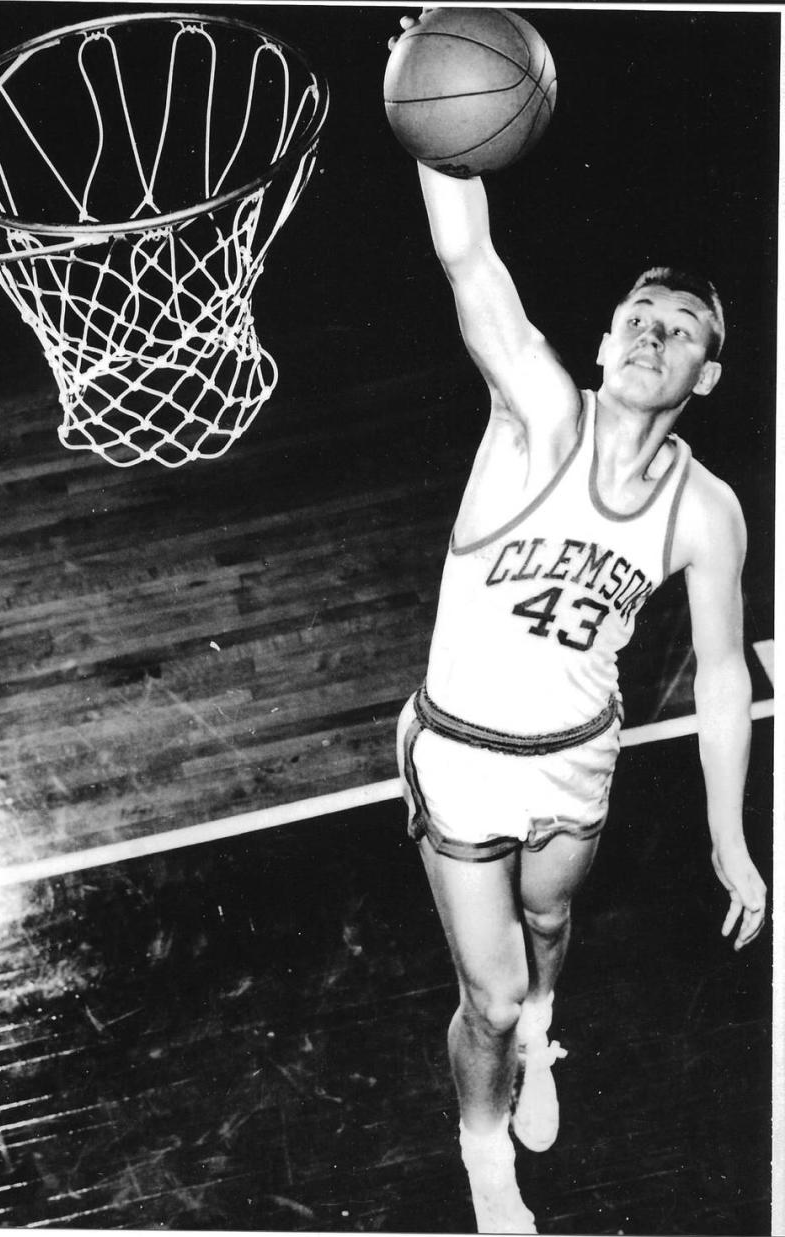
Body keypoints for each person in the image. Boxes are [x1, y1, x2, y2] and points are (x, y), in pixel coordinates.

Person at [391, 18, 768, 1237]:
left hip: (580, 755)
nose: (653, 330)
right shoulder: (538, 411)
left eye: (682, 327)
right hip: (462, 749)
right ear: (604, 339)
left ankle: (546, 1038)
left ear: (708, 374)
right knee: (487, 996)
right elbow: (469, 263)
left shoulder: (707, 511)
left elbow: (720, 675)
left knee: (551, 931)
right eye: (639, 313)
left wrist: (730, 835)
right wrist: (431, 99)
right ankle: (482, 1147)